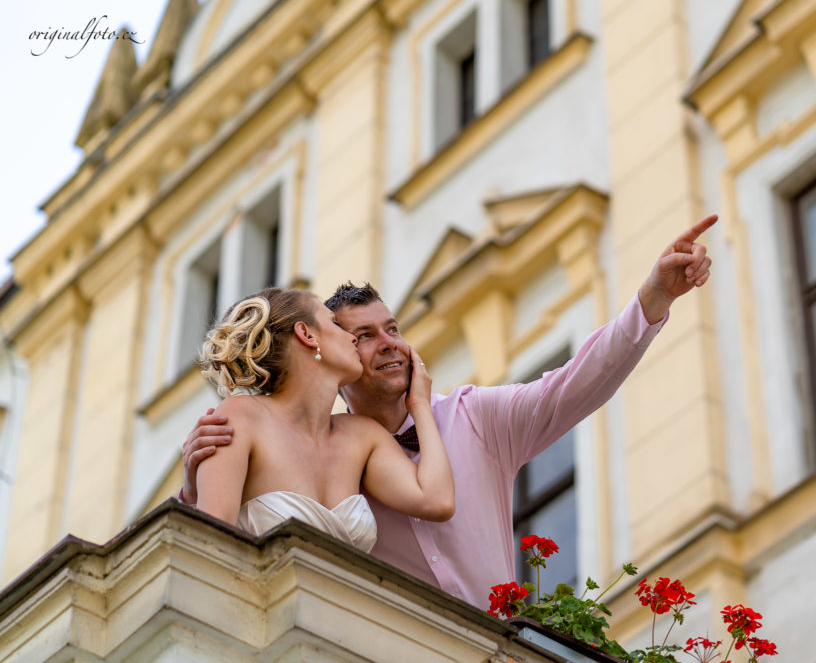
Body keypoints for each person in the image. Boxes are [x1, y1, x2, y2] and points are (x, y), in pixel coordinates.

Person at [181, 216, 716, 609]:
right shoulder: (315, 435)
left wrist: (652, 299)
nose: (389, 344)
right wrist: (193, 484)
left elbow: (575, 385)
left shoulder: (475, 417)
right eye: (363, 336)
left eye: (393, 329)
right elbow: (213, 535)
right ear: (321, 344)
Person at [193, 287, 454, 552]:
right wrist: (194, 488)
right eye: (335, 324)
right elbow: (210, 545)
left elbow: (437, 501)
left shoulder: (363, 435)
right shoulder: (240, 417)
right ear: (306, 334)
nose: (351, 339)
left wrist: (420, 404)